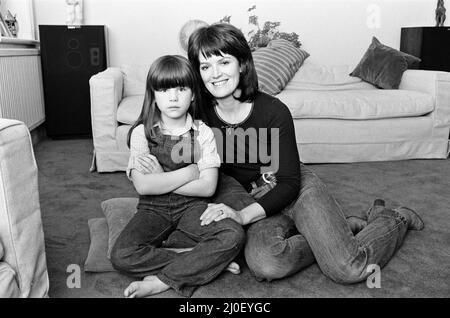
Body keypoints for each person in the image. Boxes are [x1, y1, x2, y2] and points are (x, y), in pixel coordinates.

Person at [183, 22, 424, 284]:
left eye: (224, 63)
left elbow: (288, 182)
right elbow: (150, 121)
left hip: (293, 187)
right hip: (251, 197)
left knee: (348, 268)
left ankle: (394, 218)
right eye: (205, 66)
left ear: (241, 64)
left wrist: (241, 216)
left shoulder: (274, 111)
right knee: (267, 263)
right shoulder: (197, 112)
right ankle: (340, 232)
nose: (215, 74)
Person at [110, 55, 245, 298]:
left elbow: (207, 188)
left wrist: (161, 176)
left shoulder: (203, 132)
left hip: (192, 207)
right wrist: (189, 172)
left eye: (181, 89)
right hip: (153, 209)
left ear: (193, 94)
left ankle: (163, 280)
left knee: (233, 235)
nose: (173, 97)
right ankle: (195, 258)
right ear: (153, 94)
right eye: (164, 90)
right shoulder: (142, 132)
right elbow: (143, 186)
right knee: (122, 255)